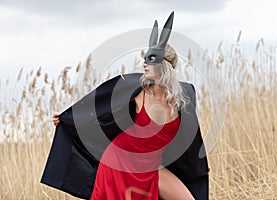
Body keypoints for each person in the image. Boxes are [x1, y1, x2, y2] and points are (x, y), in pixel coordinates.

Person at [43, 11, 209, 200]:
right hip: (119, 163)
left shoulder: (185, 96)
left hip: (152, 166)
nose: (144, 64)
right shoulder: (137, 92)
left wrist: (199, 168)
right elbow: (98, 109)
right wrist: (67, 118)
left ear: (165, 65)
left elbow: (191, 136)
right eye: (144, 59)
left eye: (151, 60)